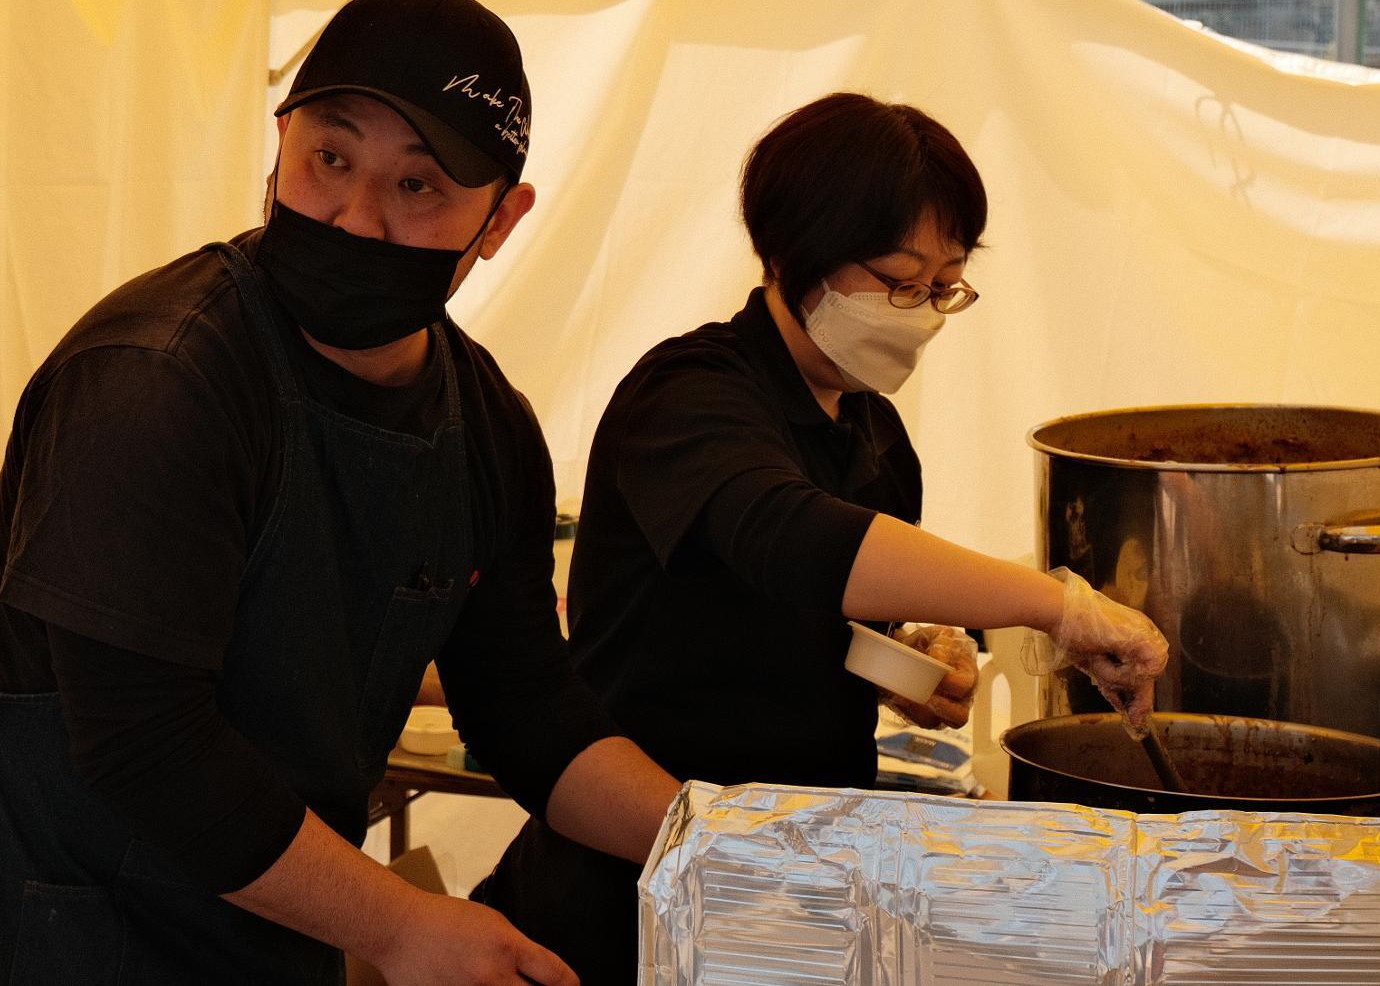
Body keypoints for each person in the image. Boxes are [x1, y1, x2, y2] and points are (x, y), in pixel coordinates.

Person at [0, 0, 681, 985]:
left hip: (264, 920)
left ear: (502, 217)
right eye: (329, 159)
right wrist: (398, 926)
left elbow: (523, 700)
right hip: (66, 925)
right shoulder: (155, 382)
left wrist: (706, 841)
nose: (355, 217)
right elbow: (144, 746)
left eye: (418, 187)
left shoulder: (483, 425)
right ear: (279, 144)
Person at [474, 93, 1169, 983]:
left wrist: (905, 660)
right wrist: (1055, 601)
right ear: (790, 252)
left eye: (943, 285)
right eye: (897, 277)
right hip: (631, 882)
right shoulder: (687, 393)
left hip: (790, 886)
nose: (920, 309)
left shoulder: (873, 433)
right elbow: (791, 540)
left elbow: (803, 617)